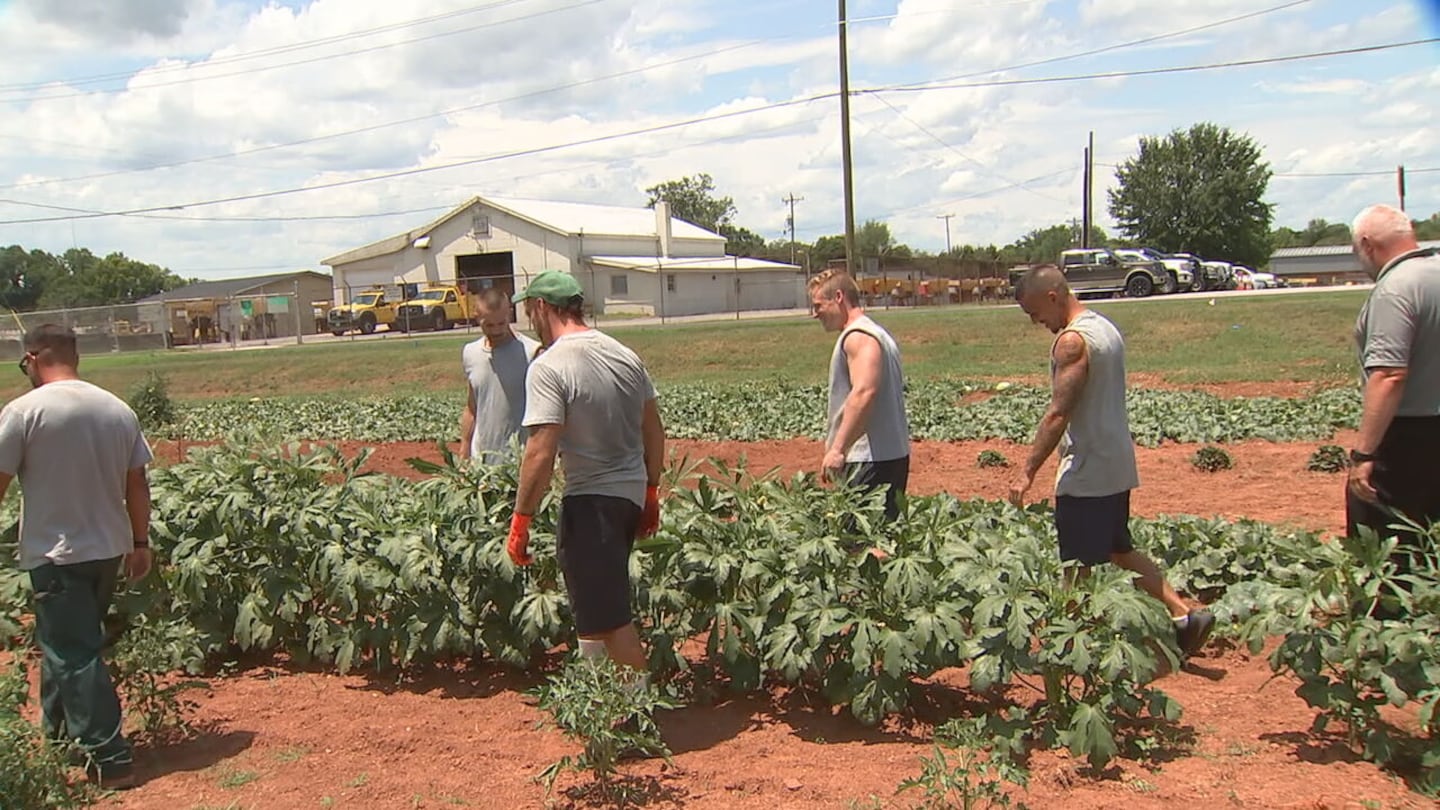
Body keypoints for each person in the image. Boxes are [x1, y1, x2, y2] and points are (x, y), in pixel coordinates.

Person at [1008, 266, 1213, 657]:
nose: (1038, 323)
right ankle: (1184, 615)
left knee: (1076, 567)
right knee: (1120, 549)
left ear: (1052, 297)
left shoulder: (1072, 342)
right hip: (1116, 462)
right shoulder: (1105, 328)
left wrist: (1027, 470)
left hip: (1087, 470)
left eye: (1036, 314)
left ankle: (1072, 648)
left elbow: (1058, 413)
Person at [0, 324, 153, 789]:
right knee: (63, 647)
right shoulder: (116, 408)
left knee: (74, 652)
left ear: (33, 359)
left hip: (56, 553)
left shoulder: (24, 412)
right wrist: (141, 542)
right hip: (108, 549)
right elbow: (137, 485)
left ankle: (111, 758)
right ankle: (59, 740)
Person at [505, 271, 663, 680]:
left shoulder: (551, 365)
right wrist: (649, 490)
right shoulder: (625, 354)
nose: (529, 321)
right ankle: (598, 702)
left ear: (542, 307)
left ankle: (637, 714)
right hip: (626, 496)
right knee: (593, 610)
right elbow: (653, 429)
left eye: (529, 310)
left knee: (610, 619)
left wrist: (521, 519)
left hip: (591, 501)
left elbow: (541, 449)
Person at [1347, 204, 1440, 567]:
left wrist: (1365, 455)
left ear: (1367, 244)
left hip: (1406, 435)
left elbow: (1389, 375)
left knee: (1382, 542)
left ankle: (1388, 621)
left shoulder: (1395, 288)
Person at [809, 268, 911, 523]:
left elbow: (864, 392)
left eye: (819, 305)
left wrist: (838, 449)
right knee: (881, 539)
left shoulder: (857, 337)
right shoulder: (878, 333)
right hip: (891, 455)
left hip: (869, 460)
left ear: (839, 297)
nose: (815, 314)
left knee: (859, 546)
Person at [459, 287, 541, 462]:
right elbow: (472, 408)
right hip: (480, 463)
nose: (496, 330)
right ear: (476, 317)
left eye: (501, 323)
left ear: (509, 315)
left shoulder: (532, 352)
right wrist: (464, 450)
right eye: (488, 325)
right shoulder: (470, 353)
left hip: (517, 462)